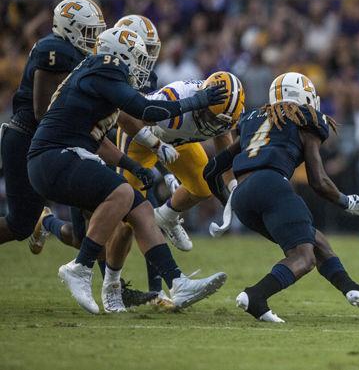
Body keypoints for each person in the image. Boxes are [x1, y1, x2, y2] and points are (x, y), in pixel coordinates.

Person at [26, 27, 228, 314]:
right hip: (54, 157)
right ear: (117, 55)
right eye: (136, 58)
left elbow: (97, 140)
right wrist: (196, 101)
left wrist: (131, 165)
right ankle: (80, 268)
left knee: (141, 208)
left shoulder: (97, 80)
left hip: (65, 156)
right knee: (121, 193)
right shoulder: (104, 66)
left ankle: (178, 282)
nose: (140, 65)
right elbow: (145, 109)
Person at [204, 72, 359, 322]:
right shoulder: (305, 120)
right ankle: (255, 295)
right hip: (272, 186)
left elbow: (210, 170)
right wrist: (346, 201)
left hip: (242, 198)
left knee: (315, 240)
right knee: (303, 258)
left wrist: (226, 197)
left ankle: (351, 288)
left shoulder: (252, 119)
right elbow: (318, 181)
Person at [111, 70, 243, 304]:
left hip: (177, 141)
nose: (213, 126)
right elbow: (124, 114)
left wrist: (231, 184)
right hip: (143, 138)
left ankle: (167, 216)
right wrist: (154, 143)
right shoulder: (175, 101)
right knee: (126, 220)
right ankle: (112, 287)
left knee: (204, 186)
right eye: (211, 119)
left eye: (219, 123)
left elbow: (223, 138)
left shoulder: (221, 112)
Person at [0, 0, 105, 247]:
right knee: (20, 224)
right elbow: (43, 111)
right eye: (88, 32)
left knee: (92, 220)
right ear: (69, 28)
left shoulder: (73, 53)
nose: (93, 39)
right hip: (30, 139)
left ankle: (113, 283)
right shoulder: (55, 51)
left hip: (57, 142)